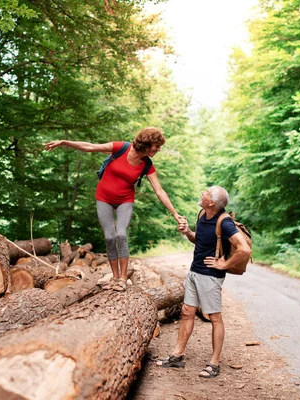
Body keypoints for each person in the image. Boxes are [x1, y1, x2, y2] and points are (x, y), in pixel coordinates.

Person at [44, 127, 182, 291]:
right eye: (156, 146)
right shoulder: (121, 148)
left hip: (125, 200)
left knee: (121, 234)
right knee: (110, 237)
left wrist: (175, 214)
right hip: (103, 198)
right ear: (146, 144)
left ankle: (123, 278)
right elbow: (90, 147)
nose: (158, 149)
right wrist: (64, 142)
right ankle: (115, 278)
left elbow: (160, 191)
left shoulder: (147, 165)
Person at [156, 185, 251, 378]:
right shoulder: (202, 214)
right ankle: (177, 355)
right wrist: (187, 231)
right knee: (186, 312)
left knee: (215, 318)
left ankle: (214, 364)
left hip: (210, 276)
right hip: (194, 271)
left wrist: (224, 265)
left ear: (212, 202)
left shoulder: (225, 223)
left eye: (206, 193)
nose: (202, 193)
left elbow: (244, 249)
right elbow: (198, 240)